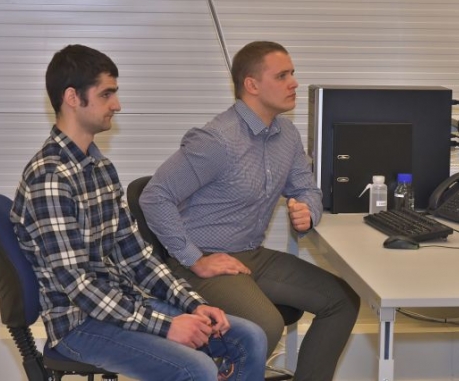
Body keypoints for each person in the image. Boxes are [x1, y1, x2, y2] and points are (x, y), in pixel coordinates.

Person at [10, 44, 267, 381]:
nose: (117, 105)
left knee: (249, 338)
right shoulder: (49, 178)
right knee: (197, 368)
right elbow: (79, 285)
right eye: (106, 94)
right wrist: (167, 326)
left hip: (122, 305)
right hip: (80, 325)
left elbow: (138, 257)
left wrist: (193, 304)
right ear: (72, 97)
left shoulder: (100, 167)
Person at [140, 41, 361, 381]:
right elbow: (155, 197)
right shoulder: (217, 140)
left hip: (251, 256)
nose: (294, 83)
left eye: (293, 73)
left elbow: (306, 188)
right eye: (282, 76)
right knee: (264, 325)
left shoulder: (286, 134)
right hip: (203, 261)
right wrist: (195, 259)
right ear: (252, 85)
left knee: (343, 300)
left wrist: (309, 211)